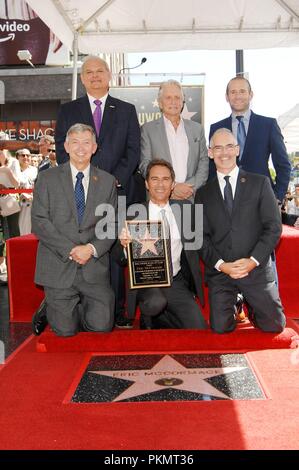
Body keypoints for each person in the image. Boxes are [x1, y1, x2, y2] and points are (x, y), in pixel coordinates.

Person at [55, 55, 141, 328]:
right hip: (79, 193)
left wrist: (112, 180)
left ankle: (115, 309)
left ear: (109, 75)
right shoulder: (69, 110)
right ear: (81, 78)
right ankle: (80, 306)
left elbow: (133, 151)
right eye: (88, 72)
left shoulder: (126, 110)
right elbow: (61, 148)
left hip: (117, 190)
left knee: (112, 247)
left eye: (100, 71)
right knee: (84, 243)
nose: (94, 76)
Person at [195, 129, 286, 334]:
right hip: (222, 272)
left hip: (255, 269)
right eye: (217, 148)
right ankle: (237, 302)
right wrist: (222, 265)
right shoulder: (202, 193)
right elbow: (201, 238)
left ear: (237, 149)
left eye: (229, 146)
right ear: (210, 153)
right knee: (220, 328)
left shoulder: (260, 183)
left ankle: (252, 306)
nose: (224, 152)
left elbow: (273, 228)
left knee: (274, 326)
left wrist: (252, 261)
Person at [31, 124, 117, 337]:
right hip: (58, 265)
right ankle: (51, 305)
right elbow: (39, 221)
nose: (81, 148)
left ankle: (72, 307)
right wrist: (71, 249)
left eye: (86, 142)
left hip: (93, 265)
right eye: (75, 142)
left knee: (101, 327)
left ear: (95, 147)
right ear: (66, 146)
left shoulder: (107, 181)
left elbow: (111, 224)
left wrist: (90, 248)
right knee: (65, 331)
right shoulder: (46, 178)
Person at [119, 159, 207, 330]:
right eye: (154, 179)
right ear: (146, 183)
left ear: (173, 184)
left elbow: (202, 242)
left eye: (166, 179)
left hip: (175, 281)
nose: (160, 184)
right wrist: (124, 246)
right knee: (155, 303)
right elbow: (117, 258)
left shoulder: (186, 210)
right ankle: (150, 314)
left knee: (198, 328)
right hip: (147, 283)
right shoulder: (133, 213)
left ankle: (159, 318)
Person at [209, 76, 291, 204]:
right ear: (226, 97)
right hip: (226, 201)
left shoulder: (268, 125)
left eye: (242, 91)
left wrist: (277, 197)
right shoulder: (216, 128)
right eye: (233, 92)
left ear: (251, 94)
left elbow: (283, 165)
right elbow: (211, 167)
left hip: (262, 200)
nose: (237, 96)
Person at [139, 80, 209, 201]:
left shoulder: (197, 129)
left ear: (183, 102)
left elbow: (203, 162)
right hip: (160, 198)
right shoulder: (147, 130)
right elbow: (145, 164)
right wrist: (172, 187)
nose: (173, 102)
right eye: (168, 98)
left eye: (177, 97)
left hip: (191, 197)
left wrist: (190, 188)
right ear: (160, 103)